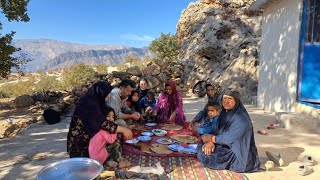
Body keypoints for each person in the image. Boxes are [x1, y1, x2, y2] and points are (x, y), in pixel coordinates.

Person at [196, 89, 260, 173]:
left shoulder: (241, 118)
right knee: (203, 147)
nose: (226, 101)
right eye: (224, 98)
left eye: (230, 99)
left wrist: (212, 139)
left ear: (236, 101)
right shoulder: (225, 113)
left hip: (238, 154)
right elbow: (217, 130)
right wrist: (210, 142)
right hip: (226, 146)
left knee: (207, 155)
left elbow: (232, 138)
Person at [67, 81, 133, 162]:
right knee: (115, 133)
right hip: (81, 147)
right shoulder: (88, 104)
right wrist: (123, 129)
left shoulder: (96, 103)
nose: (108, 97)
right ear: (100, 92)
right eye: (107, 94)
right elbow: (101, 123)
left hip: (91, 140)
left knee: (114, 134)